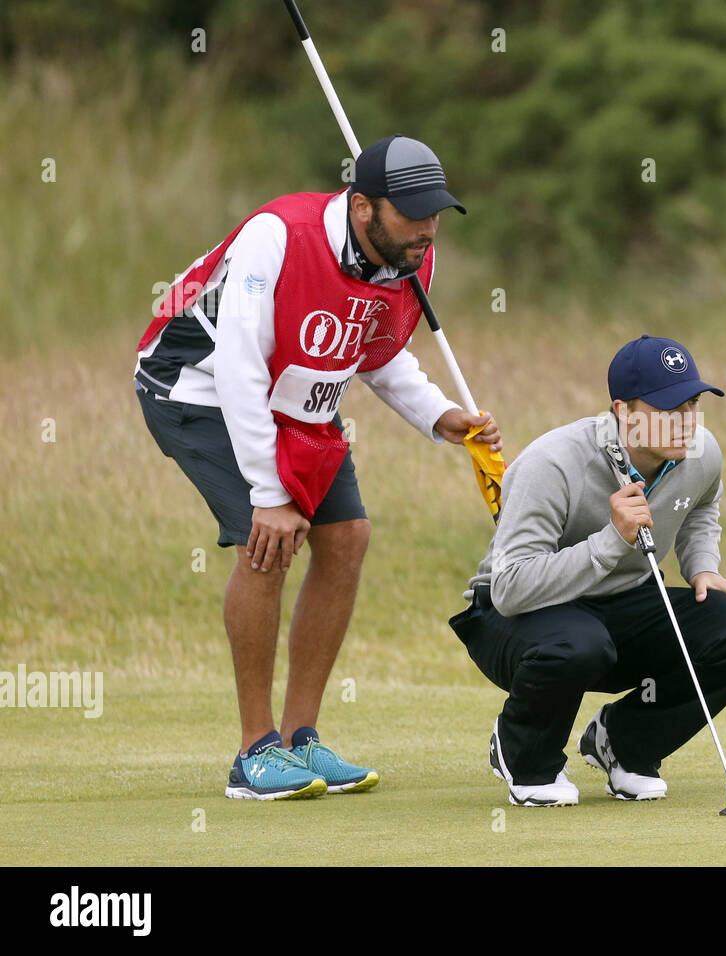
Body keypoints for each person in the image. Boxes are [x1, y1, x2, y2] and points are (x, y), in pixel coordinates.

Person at [134, 135, 502, 800]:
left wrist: (440, 415)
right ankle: (255, 753)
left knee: (346, 537)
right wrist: (269, 495)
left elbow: (376, 351)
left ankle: (302, 740)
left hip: (295, 396)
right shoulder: (277, 237)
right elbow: (241, 367)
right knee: (268, 538)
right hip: (196, 385)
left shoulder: (411, 257)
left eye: (435, 213)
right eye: (411, 214)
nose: (427, 229)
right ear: (363, 208)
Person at [450, 335, 726, 807]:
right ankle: (525, 756)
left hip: (623, 605)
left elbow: (703, 504)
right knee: (579, 642)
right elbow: (509, 588)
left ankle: (624, 743)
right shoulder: (552, 463)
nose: (687, 422)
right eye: (669, 410)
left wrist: (702, 565)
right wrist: (609, 542)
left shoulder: (701, 451)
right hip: (516, 619)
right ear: (623, 412)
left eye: (692, 404)